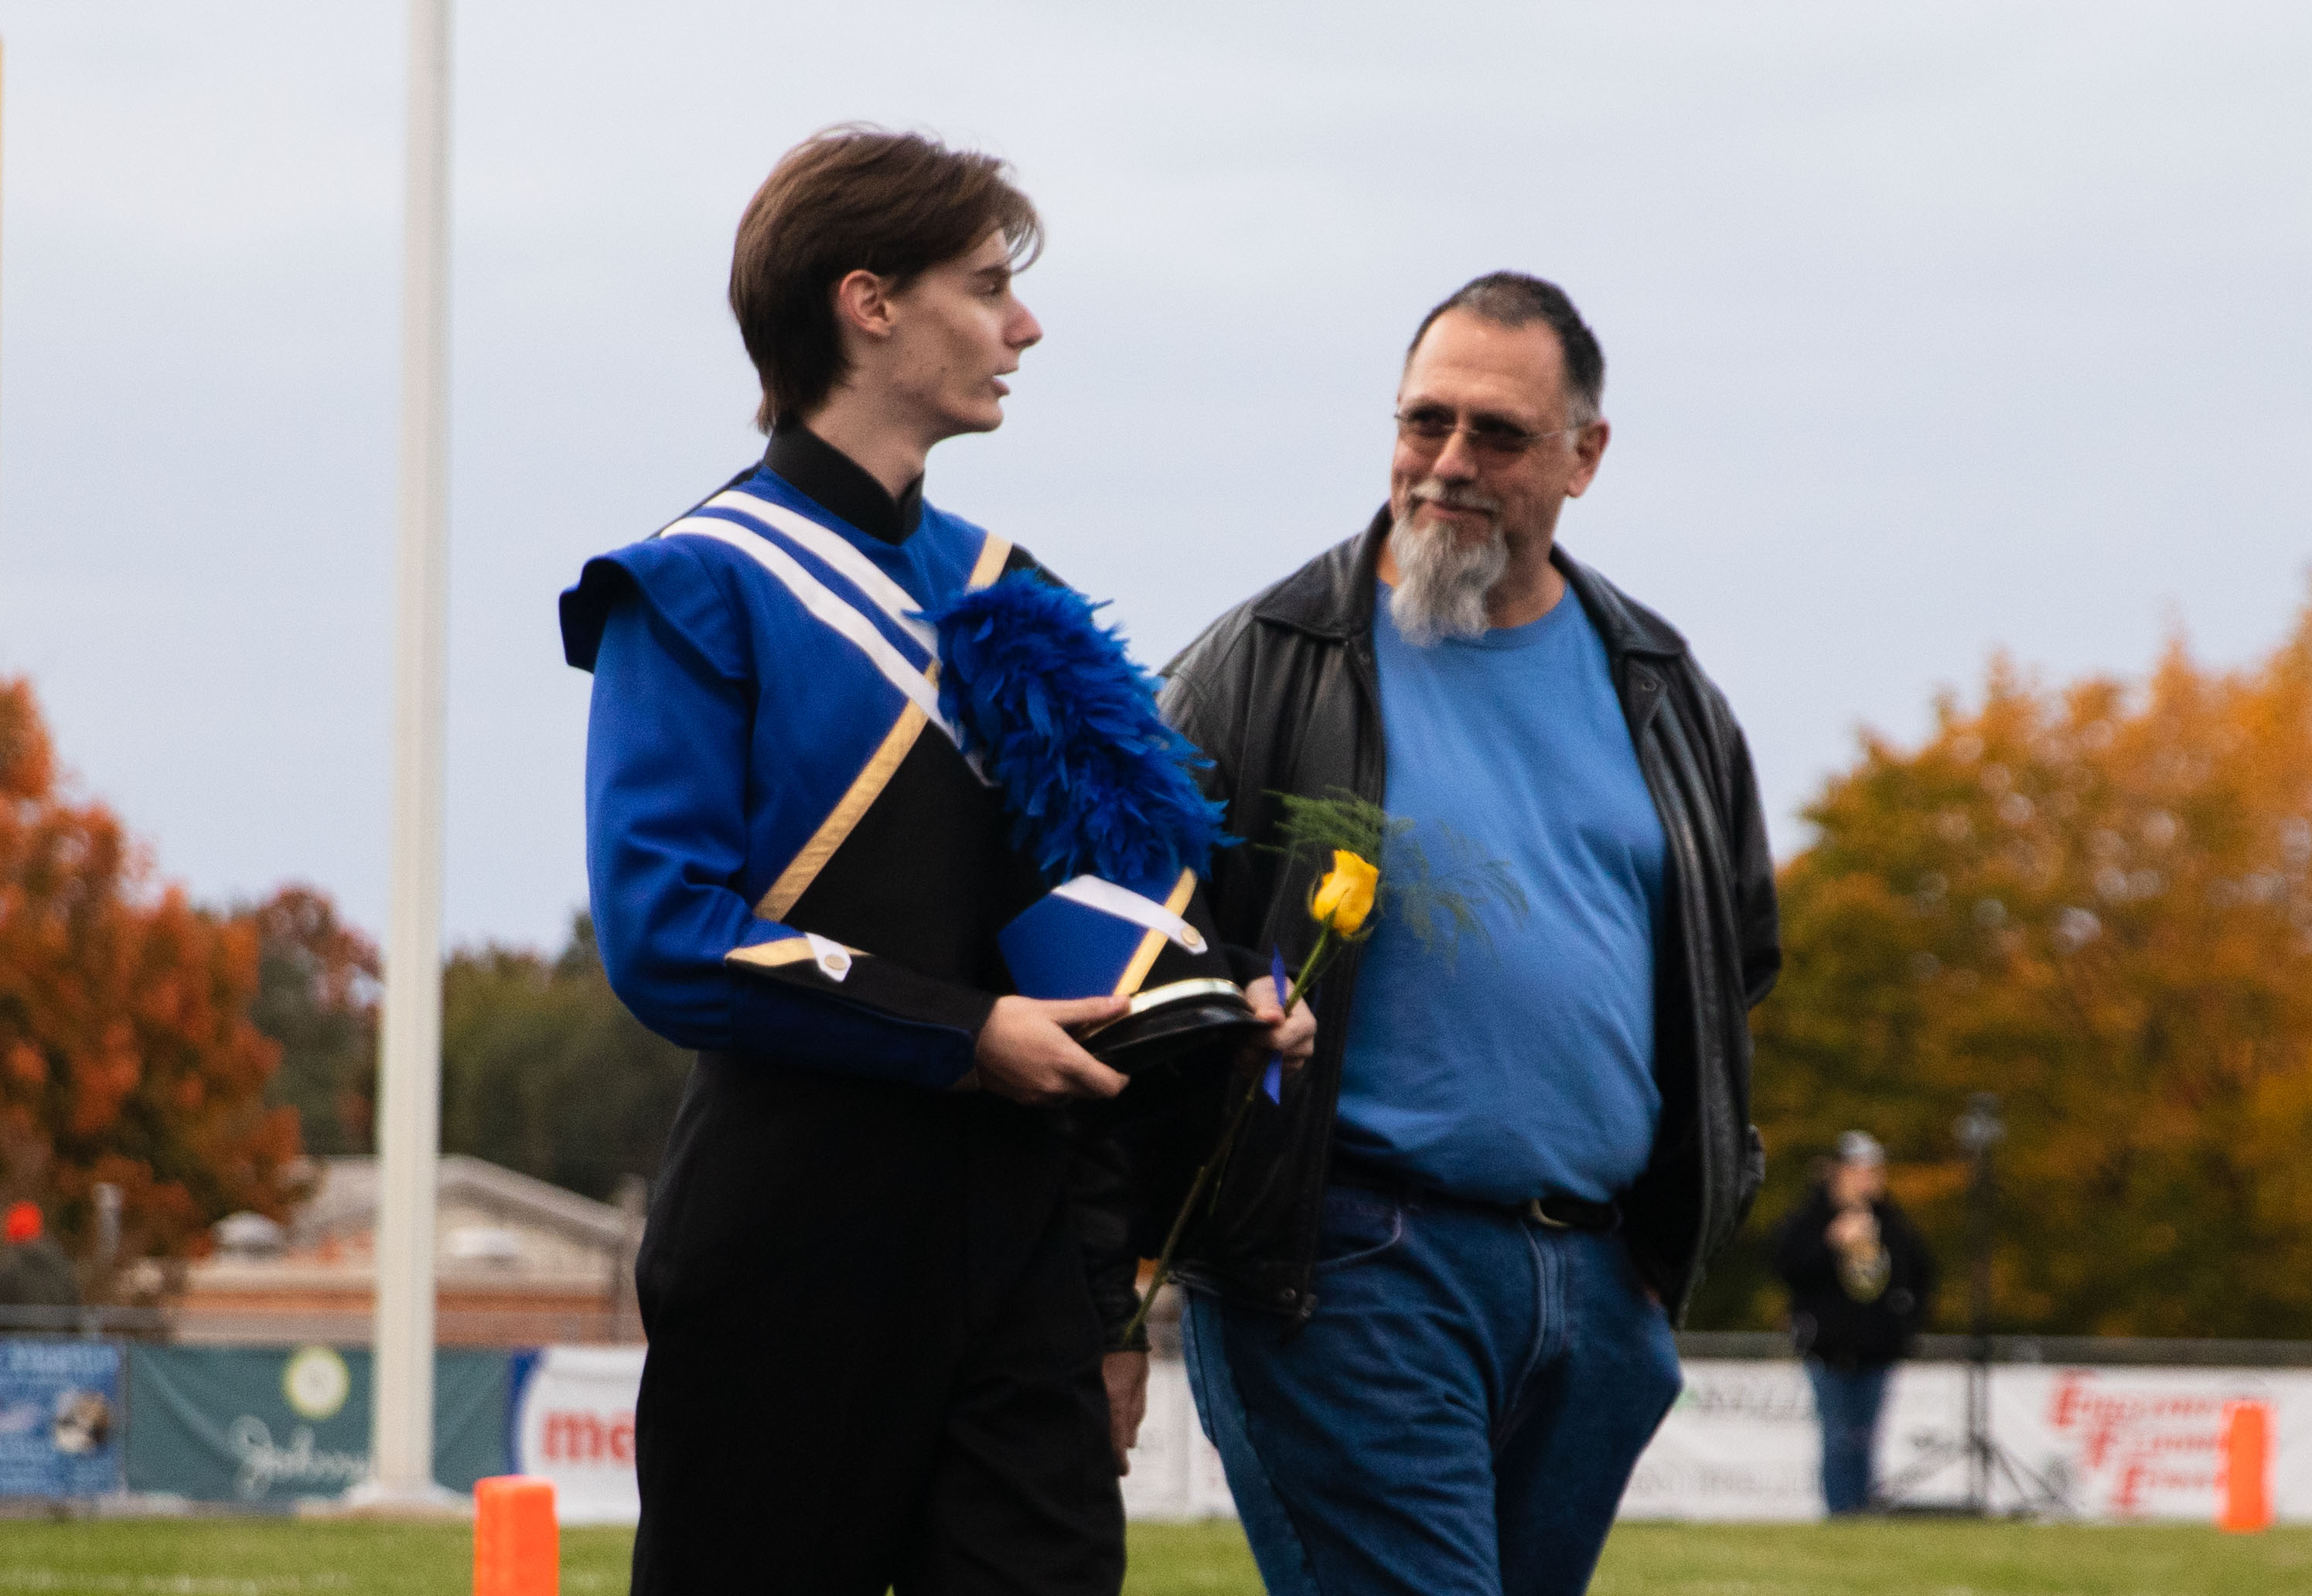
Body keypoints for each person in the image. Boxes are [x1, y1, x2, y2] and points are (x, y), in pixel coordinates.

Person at [558, 127, 1308, 1594]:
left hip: (1014, 1243)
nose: (1023, 325)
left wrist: (1216, 1001)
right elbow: (663, 929)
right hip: (789, 1233)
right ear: (869, 302)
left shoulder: (1005, 587)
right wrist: (965, 1036)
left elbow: (1096, 915)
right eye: (986, 285)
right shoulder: (696, 586)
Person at [1141, 272, 1779, 1596]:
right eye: (1422, 421)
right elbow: (1123, 952)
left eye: (1495, 433)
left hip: (1597, 1289)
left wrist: (1661, 1252)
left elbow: (1734, 964)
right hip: (1351, 1270)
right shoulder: (1264, 660)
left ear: (1584, 455)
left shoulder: (1659, 683)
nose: (1446, 463)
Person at [1772, 1130, 1935, 1516]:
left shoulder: (1894, 1224)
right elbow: (1786, 1267)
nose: (1867, 1179)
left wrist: (1905, 1326)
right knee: (1837, 1436)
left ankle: (1863, 1510)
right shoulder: (1810, 1219)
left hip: (1878, 1349)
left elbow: (1923, 1277)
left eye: (1873, 1171)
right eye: (1858, 1170)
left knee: (1866, 1438)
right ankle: (1841, 1512)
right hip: (1828, 1349)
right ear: (1837, 1173)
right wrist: (1831, 1242)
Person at [0, 1201, 79, 1316]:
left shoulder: (9, 1263)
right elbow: (73, 1300)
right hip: (57, 1332)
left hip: (18, 1332)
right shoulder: (57, 1258)